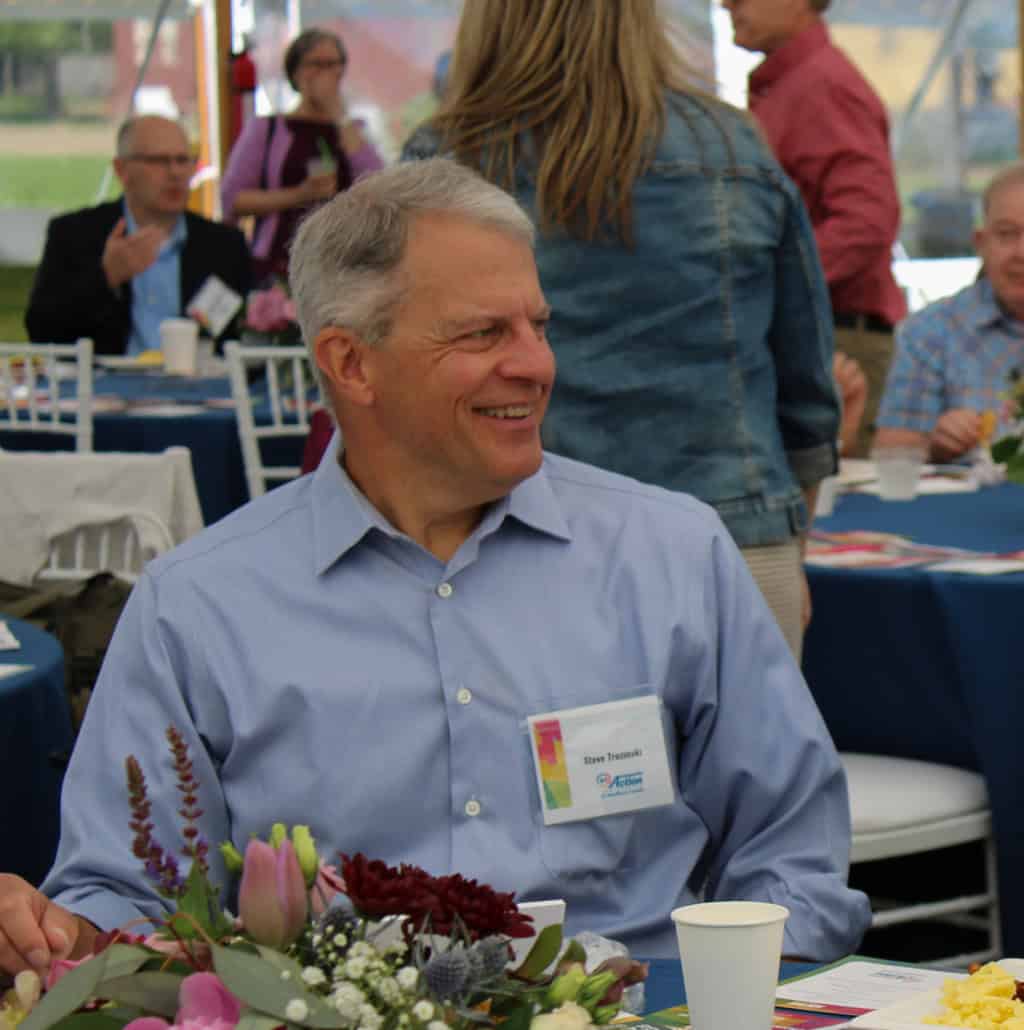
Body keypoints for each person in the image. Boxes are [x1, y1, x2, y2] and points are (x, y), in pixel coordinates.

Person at [0, 159, 869, 976]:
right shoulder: (199, 606)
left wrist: (733, 994)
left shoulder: (670, 557)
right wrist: (56, 934)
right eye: (483, 333)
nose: (534, 364)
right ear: (351, 362)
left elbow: (790, 851)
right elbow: (127, 892)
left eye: (538, 326)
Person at [401, 0, 839, 659]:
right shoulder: (730, 145)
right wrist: (788, 536)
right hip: (735, 540)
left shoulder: (445, 158)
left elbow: (404, 383)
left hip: (513, 545)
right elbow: (806, 389)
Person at [723, 0, 906, 457]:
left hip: (833, 344)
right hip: (820, 336)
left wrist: (765, 283)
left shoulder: (822, 86)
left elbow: (866, 224)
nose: (726, 2)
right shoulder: (799, 84)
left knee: (831, 493)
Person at [25, 116, 251, 356]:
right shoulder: (75, 234)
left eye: (183, 160)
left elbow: (240, 337)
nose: (175, 172)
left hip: (199, 379)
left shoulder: (224, 246)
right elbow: (41, 331)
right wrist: (106, 278)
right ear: (121, 170)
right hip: (103, 378)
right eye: (159, 161)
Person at [875, 164, 1024, 463]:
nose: (1021, 253)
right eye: (1007, 234)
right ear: (981, 243)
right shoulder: (930, 331)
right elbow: (889, 454)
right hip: (967, 492)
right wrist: (932, 444)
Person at [221, 27, 384, 283]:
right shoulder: (268, 129)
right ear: (296, 72)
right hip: (279, 262)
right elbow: (233, 198)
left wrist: (338, 114)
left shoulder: (352, 130)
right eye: (316, 64)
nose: (326, 74)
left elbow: (378, 185)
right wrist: (299, 195)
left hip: (341, 265)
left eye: (334, 64)